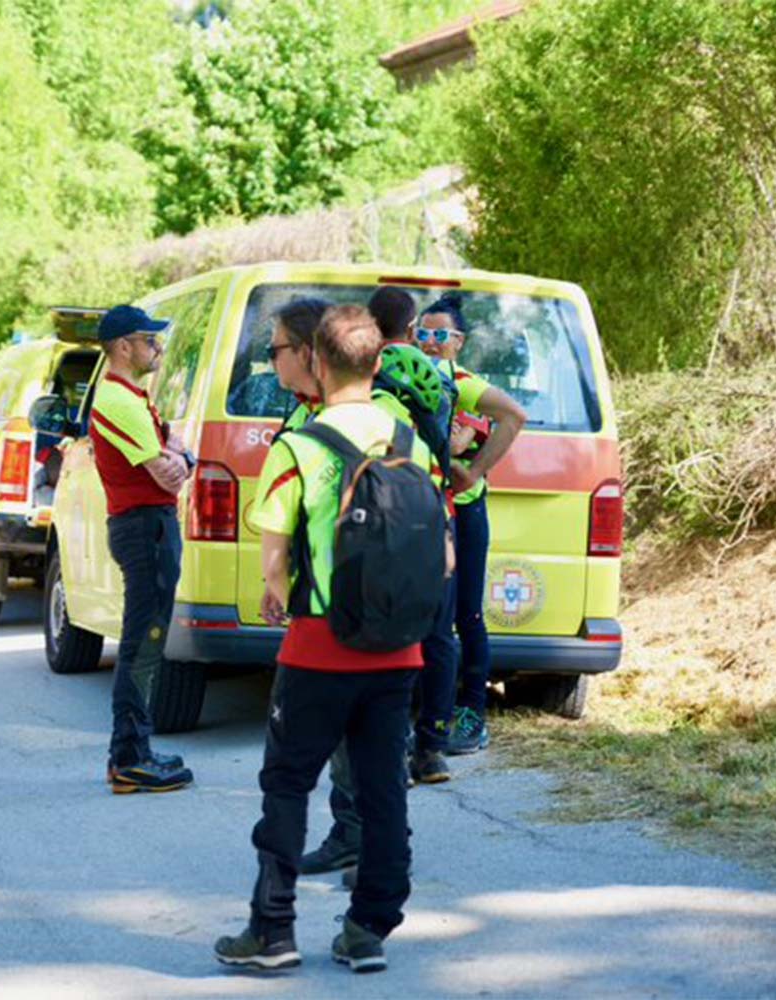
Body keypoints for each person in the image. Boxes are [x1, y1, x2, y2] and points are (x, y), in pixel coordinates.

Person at [214, 304, 439, 974]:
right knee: (383, 789)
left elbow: (274, 555)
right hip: (399, 651)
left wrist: (275, 589)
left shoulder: (300, 445)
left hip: (317, 649)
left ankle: (272, 931)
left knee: (287, 784)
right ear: (377, 361)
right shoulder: (410, 440)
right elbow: (443, 550)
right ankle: (368, 929)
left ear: (316, 359)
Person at [89, 304, 196, 794]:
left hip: (146, 525)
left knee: (144, 642)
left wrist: (177, 450)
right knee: (143, 645)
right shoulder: (120, 400)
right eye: (149, 341)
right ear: (124, 347)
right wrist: (182, 456)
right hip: (145, 527)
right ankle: (131, 757)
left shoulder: (130, 396)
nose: (157, 349)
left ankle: (133, 752)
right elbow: (167, 468)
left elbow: (172, 446)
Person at [414, 294, 527, 754]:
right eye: (424, 334)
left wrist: (474, 471)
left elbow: (513, 417)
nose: (431, 343)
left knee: (467, 613)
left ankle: (472, 712)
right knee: (428, 615)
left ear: (458, 342)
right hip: (424, 512)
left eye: (441, 335)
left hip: (465, 512)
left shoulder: (462, 384)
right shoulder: (405, 380)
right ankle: (427, 714)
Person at [268, 298, 328, 434]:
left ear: (304, 354)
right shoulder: (305, 407)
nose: (271, 361)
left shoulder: (346, 417)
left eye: (273, 351)